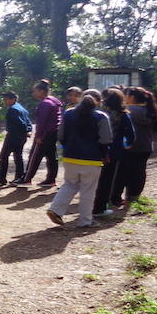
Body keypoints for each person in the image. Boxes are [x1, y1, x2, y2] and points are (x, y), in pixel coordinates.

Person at [46, 91, 112, 228]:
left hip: (70, 157)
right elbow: (106, 140)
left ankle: (55, 209)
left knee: (69, 184)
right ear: (98, 102)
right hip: (92, 159)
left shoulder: (69, 113)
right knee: (88, 190)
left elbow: (61, 135)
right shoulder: (101, 117)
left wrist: (67, 148)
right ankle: (85, 221)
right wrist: (104, 154)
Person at [92, 87, 136, 216]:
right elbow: (131, 134)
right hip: (113, 152)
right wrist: (128, 145)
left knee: (92, 180)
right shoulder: (123, 114)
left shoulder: (98, 113)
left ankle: (86, 207)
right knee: (106, 180)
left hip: (96, 149)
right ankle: (99, 208)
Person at [113, 87, 157, 203]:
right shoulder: (151, 110)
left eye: (126, 95)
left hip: (128, 146)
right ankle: (134, 195)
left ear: (132, 97)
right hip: (145, 146)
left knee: (123, 172)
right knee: (139, 171)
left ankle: (117, 197)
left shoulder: (127, 110)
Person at [13, 79, 61, 186]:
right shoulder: (54, 101)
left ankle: (27, 178)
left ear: (41, 91)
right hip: (54, 133)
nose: (33, 94)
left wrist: (39, 136)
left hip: (45, 134)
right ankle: (51, 179)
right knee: (52, 156)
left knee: (35, 155)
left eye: (35, 91)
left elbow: (42, 122)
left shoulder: (45, 104)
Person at [0, 92, 32, 186]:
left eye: (6, 99)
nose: (5, 101)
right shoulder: (22, 108)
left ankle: (2, 178)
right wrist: (28, 131)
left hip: (13, 136)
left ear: (13, 99)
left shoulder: (12, 110)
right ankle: (19, 177)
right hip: (21, 137)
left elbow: (21, 123)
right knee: (18, 156)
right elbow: (28, 122)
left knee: (4, 156)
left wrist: (25, 130)